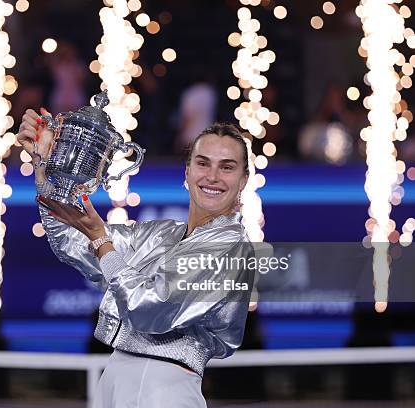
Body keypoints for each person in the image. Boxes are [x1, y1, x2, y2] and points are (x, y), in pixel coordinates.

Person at [18, 109, 255, 407]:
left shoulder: (231, 246)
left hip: (163, 387)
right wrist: (49, 164)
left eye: (227, 167)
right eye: (203, 163)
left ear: (244, 180)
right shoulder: (160, 234)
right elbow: (71, 240)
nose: (213, 176)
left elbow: (149, 309)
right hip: (118, 374)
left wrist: (101, 241)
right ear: (187, 171)